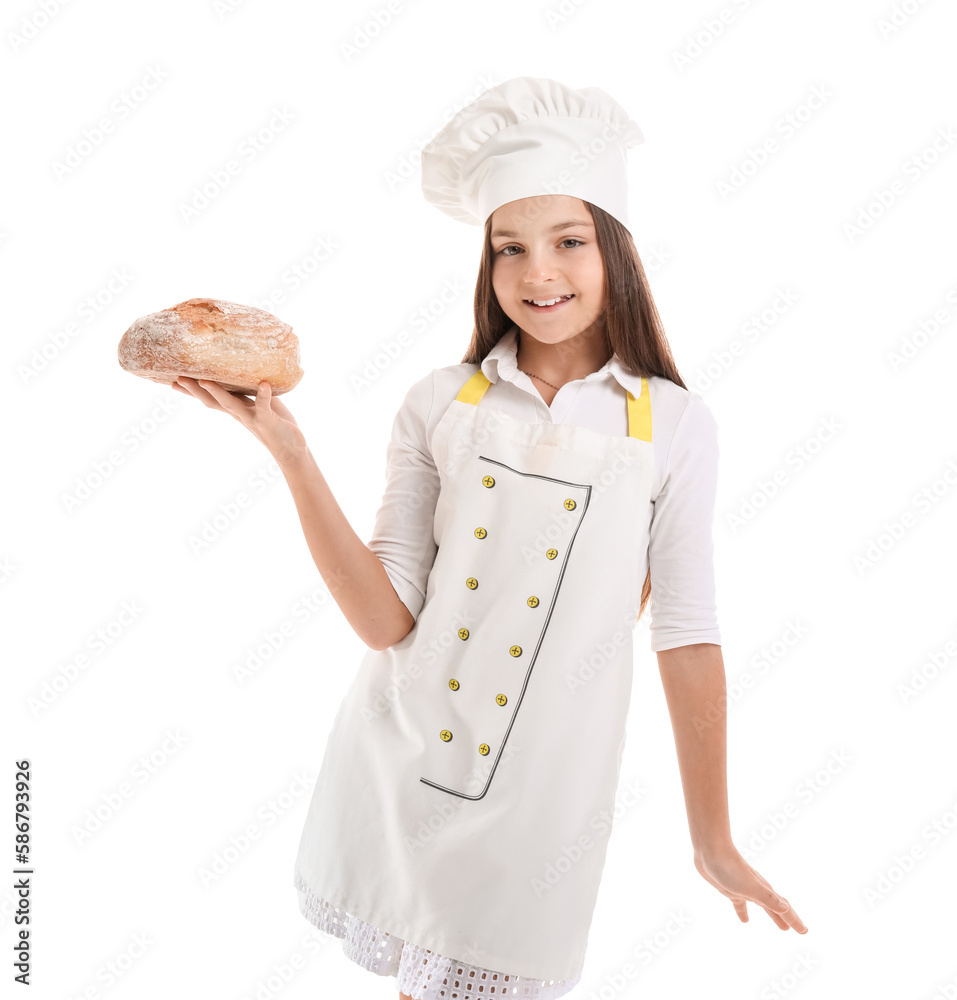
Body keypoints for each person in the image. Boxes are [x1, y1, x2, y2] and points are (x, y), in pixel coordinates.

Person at [174, 76, 807, 1000]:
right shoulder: (439, 403)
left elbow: (687, 631)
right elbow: (386, 621)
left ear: (616, 253)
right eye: (509, 248)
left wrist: (710, 836)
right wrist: (290, 452)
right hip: (401, 766)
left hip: (542, 808)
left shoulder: (672, 425)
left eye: (568, 242)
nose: (536, 273)